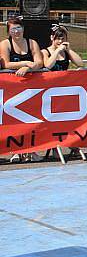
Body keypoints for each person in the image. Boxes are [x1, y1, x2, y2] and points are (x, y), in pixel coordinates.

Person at [0, 17, 44, 162]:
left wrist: (27, 67)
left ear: (23, 29)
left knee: (32, 119)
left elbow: (39, 62)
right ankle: (16, 151)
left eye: (18, 28)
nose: (16, 31)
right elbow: (5, 64)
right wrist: (24, 63)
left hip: (31, 88)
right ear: (9, 31)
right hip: (12, 89)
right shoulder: (5, 44)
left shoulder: (32, 43)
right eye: (13, 29)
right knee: (14, 120)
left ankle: (33, 149)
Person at [43, 25, 84, 158]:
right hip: (50, 92)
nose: (60, 42)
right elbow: (47, 65)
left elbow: (80, 63)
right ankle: (55, 146)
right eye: (57, 39)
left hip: (65, 91)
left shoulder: (66, 52)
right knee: (53, 121)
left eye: (62, 39)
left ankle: (73, 145)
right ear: (51, 38)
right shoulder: (45, 51)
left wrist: (69, 50)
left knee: (69, 120)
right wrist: (56, 51)